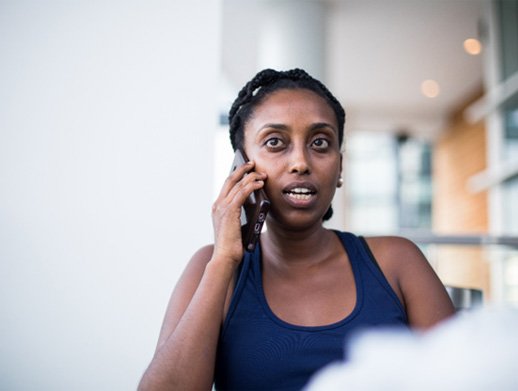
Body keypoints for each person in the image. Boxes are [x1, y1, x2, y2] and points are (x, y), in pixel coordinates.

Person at [138, 68, 455, 391]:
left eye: (320, 142)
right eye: (275, 142)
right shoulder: (212, 267)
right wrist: (223, 262)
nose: (301, 162)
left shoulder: (397, 262)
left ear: (340, 167)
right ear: (241, 165)